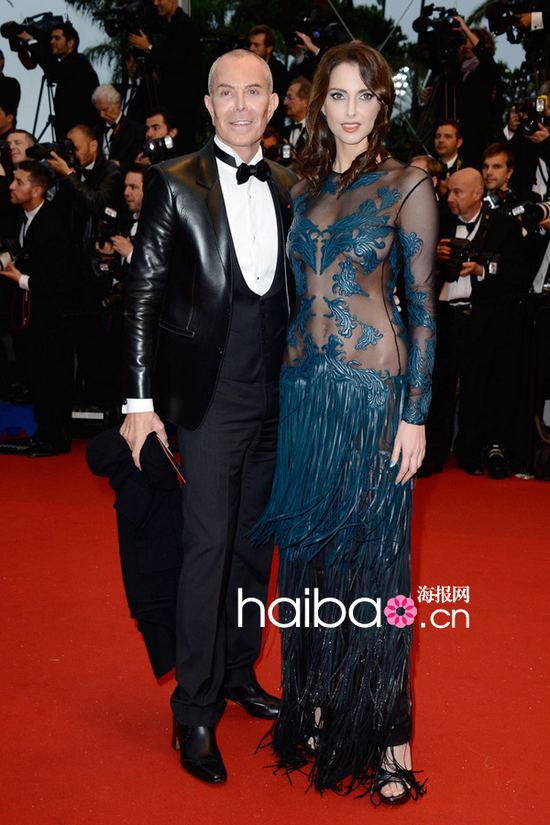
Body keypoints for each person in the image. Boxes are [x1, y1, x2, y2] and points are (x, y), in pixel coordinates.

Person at [250, 41, 438, 805]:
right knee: (310, 566)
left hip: (372, 399)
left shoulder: (407, 184)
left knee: (376, 570)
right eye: (338, 95)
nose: (350, 109)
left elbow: (423, 311)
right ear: (319, 103)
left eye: (365, 95)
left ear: (381, 104)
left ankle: (390, 737)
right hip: (305, 399)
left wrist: (416, 414)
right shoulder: (301, 189)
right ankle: (321, 704)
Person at [120, 49, 296, 785]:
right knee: (205, 549)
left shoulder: (291, 183)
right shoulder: (173, 182)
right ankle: (193, 708)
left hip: (280, 395)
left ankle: (234, 670)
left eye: (254, 93)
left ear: (276, 104)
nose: (241, 105)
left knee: (255, 548)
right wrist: (137, 402)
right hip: (211, 395)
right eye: (227, 94)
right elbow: (143, 296)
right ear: (209, 103)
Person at [419, 168, 525, 478]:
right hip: (444, 317)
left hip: (481, 318)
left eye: (457, 193)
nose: (450, 198)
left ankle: (471, 452)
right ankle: (432, 454)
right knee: (437, 388)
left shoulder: (503, 225)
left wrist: (481, 269)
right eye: (449, 192)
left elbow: (516, 273)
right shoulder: (437, 222)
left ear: (478, 194)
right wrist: (433, 258)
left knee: (477, 387)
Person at [0, 161, 73, 456]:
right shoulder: (23, 220)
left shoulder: (53, 224)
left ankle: (55, 438)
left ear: (38, 189)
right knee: (36, 376)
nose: (11, 187)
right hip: (30, 316)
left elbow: (62, 279)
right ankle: (44, 434)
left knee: (51, 377)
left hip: (52, 318)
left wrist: (22, 278)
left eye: (18, 182)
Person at [129, 0, 200, 153]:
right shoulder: (165, 25)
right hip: (168, 101)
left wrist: (148, 47)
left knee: (182, 147)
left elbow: (174, 58)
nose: (156, 3)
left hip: (182, 103)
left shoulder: (185, 25)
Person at [17, 22, 99, 140]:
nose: (52, 42)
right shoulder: (68, 65)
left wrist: (31, 40)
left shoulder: (78, 61)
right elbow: (36, 65)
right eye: (51, 38)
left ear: (70, 43)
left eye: (57, 38)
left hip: (82, 133)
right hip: (70, 132)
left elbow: (53, 70)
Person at [91, 84, 144, 172]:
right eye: (98, 110)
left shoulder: (137, 131)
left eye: (105, 109)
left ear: (117, 104)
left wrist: (120, 165)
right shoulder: (95, 131)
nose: (101, 115)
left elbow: (139, 163)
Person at [249, 25, 289, 132]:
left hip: (272, 130)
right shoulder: (244, 69)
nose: (251, 48)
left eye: (256, 45)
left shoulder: (279, 71)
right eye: (251, 44)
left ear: (269, 48)